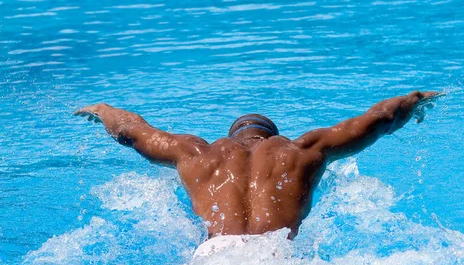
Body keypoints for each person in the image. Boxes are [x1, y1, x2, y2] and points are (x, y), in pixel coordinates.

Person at [75, 91, 440, 252]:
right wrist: (415, 100)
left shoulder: (195, 153)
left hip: (213, 261)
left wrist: (102, 108)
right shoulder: (303, 150)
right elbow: (376, 120)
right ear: (273, 136)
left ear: (233, 136)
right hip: (275, 257)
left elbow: (132, 130)